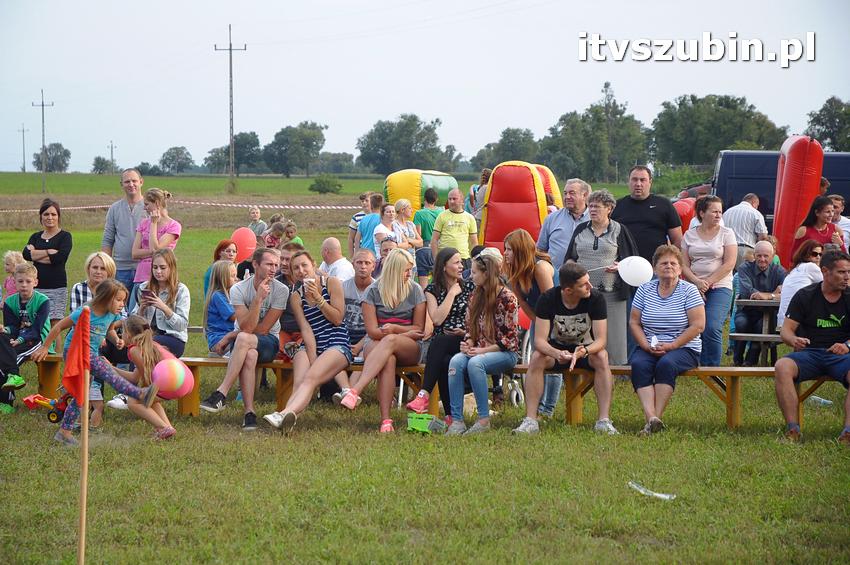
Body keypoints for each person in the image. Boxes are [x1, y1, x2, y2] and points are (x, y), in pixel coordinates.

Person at [32, 279, 158, 446]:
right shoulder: (85, 311)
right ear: (105, 298)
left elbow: (109, 329)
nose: (122, 304)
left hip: (90, 353)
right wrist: (45, 347)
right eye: (119, 300)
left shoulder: (112, 313)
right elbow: (58, 327)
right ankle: (139, 394)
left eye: (123, 300)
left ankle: (64, 432)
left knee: (80, 395)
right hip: (76, 353)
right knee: (107, 371)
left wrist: (116, 339)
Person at [512, 262, 617, 435]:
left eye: (588, 281)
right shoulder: (547, 299)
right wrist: (557, 353)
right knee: (537, 357)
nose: (590, 286)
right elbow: (539, 341)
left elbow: (601, 340)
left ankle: (604, 421)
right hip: (558, 351)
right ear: (568, 290)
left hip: (586, 350)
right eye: (583, 284)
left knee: (602, 357)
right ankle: (530, 420)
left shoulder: (596, 298)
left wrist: (584, 351)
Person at [338, 249, 426, 433]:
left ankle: (356, 390)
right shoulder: (373, 291)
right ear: (394, 270)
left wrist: (395, 330)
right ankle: (386, 420)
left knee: (391, 340)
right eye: (406, 270)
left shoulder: (415, 290)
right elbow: (371, 331)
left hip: (408, 347)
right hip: (377, 344)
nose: (410, 274)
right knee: (388, 359)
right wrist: (402, 333)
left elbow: (419, 329)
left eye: (410, 270)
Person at [263, 251, 351, 432]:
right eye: (296, 268)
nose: (301, 271)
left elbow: (337, 319)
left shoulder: (332, 283)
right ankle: (287, 421)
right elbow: (306, 329)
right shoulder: (296, 297)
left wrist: (318, 298)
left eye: (304, 265)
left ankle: (282, 414)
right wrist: (313, 358)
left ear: (314, 265)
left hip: (336, 342)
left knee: (310, 379)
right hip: (311, 343)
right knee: (300, 381)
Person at [200, 248, 288, 431]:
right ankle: (249, 414)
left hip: (269, 342)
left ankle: (221, 392)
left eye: (276, 265)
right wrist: (257, 300)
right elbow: (246, 327)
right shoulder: (238, 289)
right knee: (249, 355)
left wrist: (232, 334)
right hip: (245, 345)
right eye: (269, 264)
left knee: (242, 338)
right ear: (255, 264)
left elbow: (263, 329)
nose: (274, 269)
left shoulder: (281, 290)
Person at [775, 250, 850, 444]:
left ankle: (848, 433)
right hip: (810, 354)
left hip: (842, 357)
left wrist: (847, 345)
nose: (847, 277)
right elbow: (786, 331)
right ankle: (793, 430)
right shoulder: (806, 295)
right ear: (825, 272)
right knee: (782, 366)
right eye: (841, 272)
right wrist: (794, 340)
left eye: (849, 272)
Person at [629, 245, 706, 435]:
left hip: (684, 347)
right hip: (650, 346)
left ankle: (655, 418)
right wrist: (645, 346)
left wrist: (673, 345)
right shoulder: (644, 289)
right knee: (638, 364)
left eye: (673, 263)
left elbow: (698, 325)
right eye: (664, 263)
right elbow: (634, 322)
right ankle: (652, 418)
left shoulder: (689, 290)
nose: (669, 266)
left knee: (666, 364)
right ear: (655, 268)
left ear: (680, 269)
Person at [445, 253, 519, 435]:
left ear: (486, 274)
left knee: (475, 363)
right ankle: (457, 420)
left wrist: (481, 351)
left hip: (505, 353)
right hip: (479, 349)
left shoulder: (507, 298)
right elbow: (470, 328)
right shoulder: (475, 296)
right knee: (455, 361)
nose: (471, 276)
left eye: (474, 272)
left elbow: (509, 339)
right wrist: (468, 342)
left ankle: (483, 419)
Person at [565, 189, 638, 366]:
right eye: (590, 206)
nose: (592, 210)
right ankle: (584, 367)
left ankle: (614, 370)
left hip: (612, 294)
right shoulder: (581, 229)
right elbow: (569, 258)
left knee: (613, 337)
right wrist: (573, 271)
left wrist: (620, 266)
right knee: (583, 334)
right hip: (583, 294)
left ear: (609, 208)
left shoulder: (619, 230)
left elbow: (632, 260)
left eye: (597, 206)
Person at [406, 247, 473, 422]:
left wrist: (465, 332)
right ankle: (450, 416)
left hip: (466, 339)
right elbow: (437, 319)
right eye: (456, 262)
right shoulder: (432, 289)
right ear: (444, 266)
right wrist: (451, 294)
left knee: (440, 341)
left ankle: (424, 394)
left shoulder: (470, 287)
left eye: (461, 262)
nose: (461, 266)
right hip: (442, 346)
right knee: (444, 361)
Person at [504, 229, 559, 415]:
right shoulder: (514, 271)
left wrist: (545, 328)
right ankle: (537, 408)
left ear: (520, 250)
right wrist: (537, 323)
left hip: (557, 318)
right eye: (505, 249)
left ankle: (547, 410)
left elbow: (552, 303)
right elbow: (523, 303)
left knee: (552, 359)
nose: (505, 253)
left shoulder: (540, 268)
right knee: (538, 360)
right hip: (539, 317)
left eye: (509, 249)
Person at [680, 195, 737, 366]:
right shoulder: (689, 235)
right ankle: (693, 361)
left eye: (720, 212)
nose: (718, 215)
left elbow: (729, 263)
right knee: (694, 325)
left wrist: (707, 283)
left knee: (712, 325)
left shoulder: (727, 234)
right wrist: (696, 283)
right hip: (693, 286)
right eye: (714, 211)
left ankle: (711, 368)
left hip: (720, 286)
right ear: (702, 213)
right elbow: (683, 265)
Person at [69, 251, 121, 427]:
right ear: (88, 269)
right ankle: (84, 407)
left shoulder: (114, 290)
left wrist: (106, 332)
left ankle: (98, 398)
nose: (98, 271)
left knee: (117, 350)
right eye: (95, 267)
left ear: (109, 272)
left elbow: (120, 318)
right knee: (92, 361)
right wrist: (96, 333)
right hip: (82, 338)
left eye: (103, 268)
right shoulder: (79, 288)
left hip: (106, 335)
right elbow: (75, 318)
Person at [109, 315, 177, 440]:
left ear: (129, 334)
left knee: (133, 401)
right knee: (149, 399)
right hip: (183, 380)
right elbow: (135, 376)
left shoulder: (134, 350)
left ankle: (163, 428)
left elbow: (140, 378)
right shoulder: (151, 344)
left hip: (171, 382)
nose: (121, 335)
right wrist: (112, 368)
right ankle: (167, 428)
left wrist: (110, 368)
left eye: (123, 331)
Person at [0, 263, 51, 412]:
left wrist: (20, 340)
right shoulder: (9, 302)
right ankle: (13, 379)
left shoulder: (43, 301)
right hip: (17, 339)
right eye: (20, 281)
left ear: (35, 282)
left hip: (38, 340)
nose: (24, 285)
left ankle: (6, 402)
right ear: (14, 282)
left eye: (28, 281)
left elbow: (37, 330)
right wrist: (5, 330)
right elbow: (13, 327)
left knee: (8, 360)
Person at [611, 166, 683, 262]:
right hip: (625, 264)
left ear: (650, 182)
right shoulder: (616, 206)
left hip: (656, 265)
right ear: (629, 181)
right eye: (634, 179)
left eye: (643, 180)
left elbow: (677, 240)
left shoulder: (664, 205)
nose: (638, 184)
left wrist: (671, 262)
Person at [734, 241, 787, 366]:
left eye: (766, 256)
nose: (762, 259)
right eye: (759, 255)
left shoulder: (780, 271)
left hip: (769, 313)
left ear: (772, 256)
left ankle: (750, 361)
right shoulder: (745, 268)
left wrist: (768, 296)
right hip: (747, 311)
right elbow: (747, 292)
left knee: (762, 327)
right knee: (741, 324)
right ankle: (737, 360)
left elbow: (786, 294)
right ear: (754, 255)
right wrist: (773, 294)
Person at [23, 198, 72, 329]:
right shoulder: (35, 237)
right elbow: (26, 254)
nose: (50, 217)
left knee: (55, 324)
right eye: (46, 214)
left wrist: (36, 255)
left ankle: (55, 345)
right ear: (41, 216)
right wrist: (48, 252)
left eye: (53, 214)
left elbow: (59, 258)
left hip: (57, 287)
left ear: (58, 216)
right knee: (36, 323)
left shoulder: (65, 237)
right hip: (36, 287)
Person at [132, 249, 190, 358]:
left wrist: (163, 307)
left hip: (173, 338)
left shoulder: (181, 290)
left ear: (171, 268)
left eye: (163, 268)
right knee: (137, 346)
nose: (158, 271)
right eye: (155, 267)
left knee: (146, 344)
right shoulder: (144, 287)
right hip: (147, 336)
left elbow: (181, 325)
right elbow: (133, 324)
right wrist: (141, 308)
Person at [131, 188, 181, 310]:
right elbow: (135, 253)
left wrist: (153, 224)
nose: (145, 208)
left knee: (158, 314)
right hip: (141, 276)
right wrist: (156, 252)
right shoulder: (143, 223)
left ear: (157, 203)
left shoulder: (174, 226)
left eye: (147, 204)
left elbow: (156, 250)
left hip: (162, 279)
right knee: (135, 314)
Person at [537, 178, 591, 285]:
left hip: (587, 281)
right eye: (565, 193)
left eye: (572, 193)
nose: (567, 197)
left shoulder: (595, 219)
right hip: (556, 280)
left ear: (584, 195)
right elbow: (540, 250)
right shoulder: (551, 219)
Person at [102, 168, 145, 292]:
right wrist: (106, 268)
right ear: (122, 184)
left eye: (134, 181)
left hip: (144, 269)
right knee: (118, 303)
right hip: (120, 270)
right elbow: (108, 240)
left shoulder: (150, 207)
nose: (131, 184)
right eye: (127, 182)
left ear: (141, 182)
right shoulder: (114, 209)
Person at [776, 241, 823, 329]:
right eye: (814, 254)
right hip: (795, 324)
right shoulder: (810, 267)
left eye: (821, 254)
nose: (818, 257)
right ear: (806, 254)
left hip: (782, 323)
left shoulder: (795, 269)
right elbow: (831, 283)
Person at [431, 188, 478, 270]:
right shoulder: (442, 216)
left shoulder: (470, 218)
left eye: (454, 199)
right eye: (449, 199)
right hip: (445, 258)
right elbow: (434, 240)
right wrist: (436, 259)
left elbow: (474, 242)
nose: (451, 201)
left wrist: (474, 259)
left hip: (463, 258)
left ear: (462, 200)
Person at [722, 193, 768, 269]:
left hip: (726, 250)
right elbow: (763, 236)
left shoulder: (727, 212)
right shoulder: (756, 213)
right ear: (754, 202)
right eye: (757, 206)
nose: (757, 208)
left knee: (727, 274)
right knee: (744, 274)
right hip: (745, 251)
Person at [204, 260, 239, 356]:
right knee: (244, 349)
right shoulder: (218, 296)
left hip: (231, 338)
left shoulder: (229, 294)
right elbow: (235, 317)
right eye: (233, 276)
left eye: (236, 275)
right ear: (222, 278)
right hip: (219, 340)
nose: (236, 279)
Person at [413, 188, 442, 286]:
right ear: (436, 199)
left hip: (424, 249)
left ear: (424, 198)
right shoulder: (441, 212)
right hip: (439, 248)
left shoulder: (419, 214)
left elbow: (418, 234)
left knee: (423, 285)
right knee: (438, 283)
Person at [347, 192, 372, 257]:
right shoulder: (356, 217)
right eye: (362, 201)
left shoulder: (379, 216)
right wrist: (352, 256)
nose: (364, 203)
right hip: (360, 252)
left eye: (366, 201)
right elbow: (351, 238)